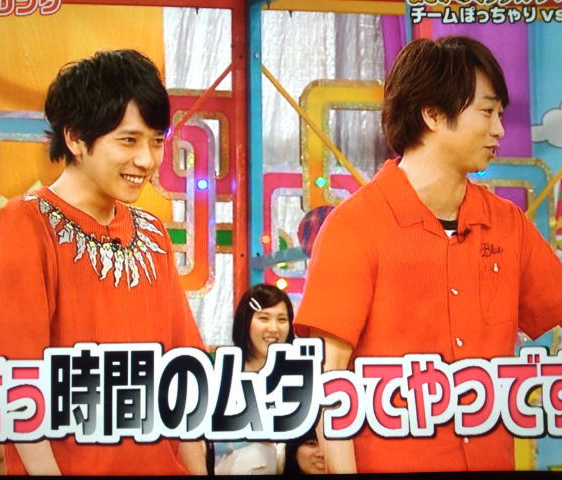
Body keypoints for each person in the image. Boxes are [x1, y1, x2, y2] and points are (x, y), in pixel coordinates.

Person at [294, 36, 562, 473]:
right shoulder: (353, 227)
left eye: (500, 114)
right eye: (487, 112)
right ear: (433, 114)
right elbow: (330, 387)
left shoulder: (508, 224)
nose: (499, 130)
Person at [0, 50, 205, 475]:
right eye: (129, 140)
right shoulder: (24, 225)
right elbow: (13, 385)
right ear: (76, 139)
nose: (147, 160)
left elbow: (183, 375)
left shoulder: (152, 232)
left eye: (157, 140)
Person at [213, 284, 294, 475]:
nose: (273, 328)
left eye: (282, 319)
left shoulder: (298, 372)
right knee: (257, 455)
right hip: (235, 463)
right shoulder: (222, 372)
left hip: (288, 462)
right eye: (264, 318)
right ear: (245, 321)